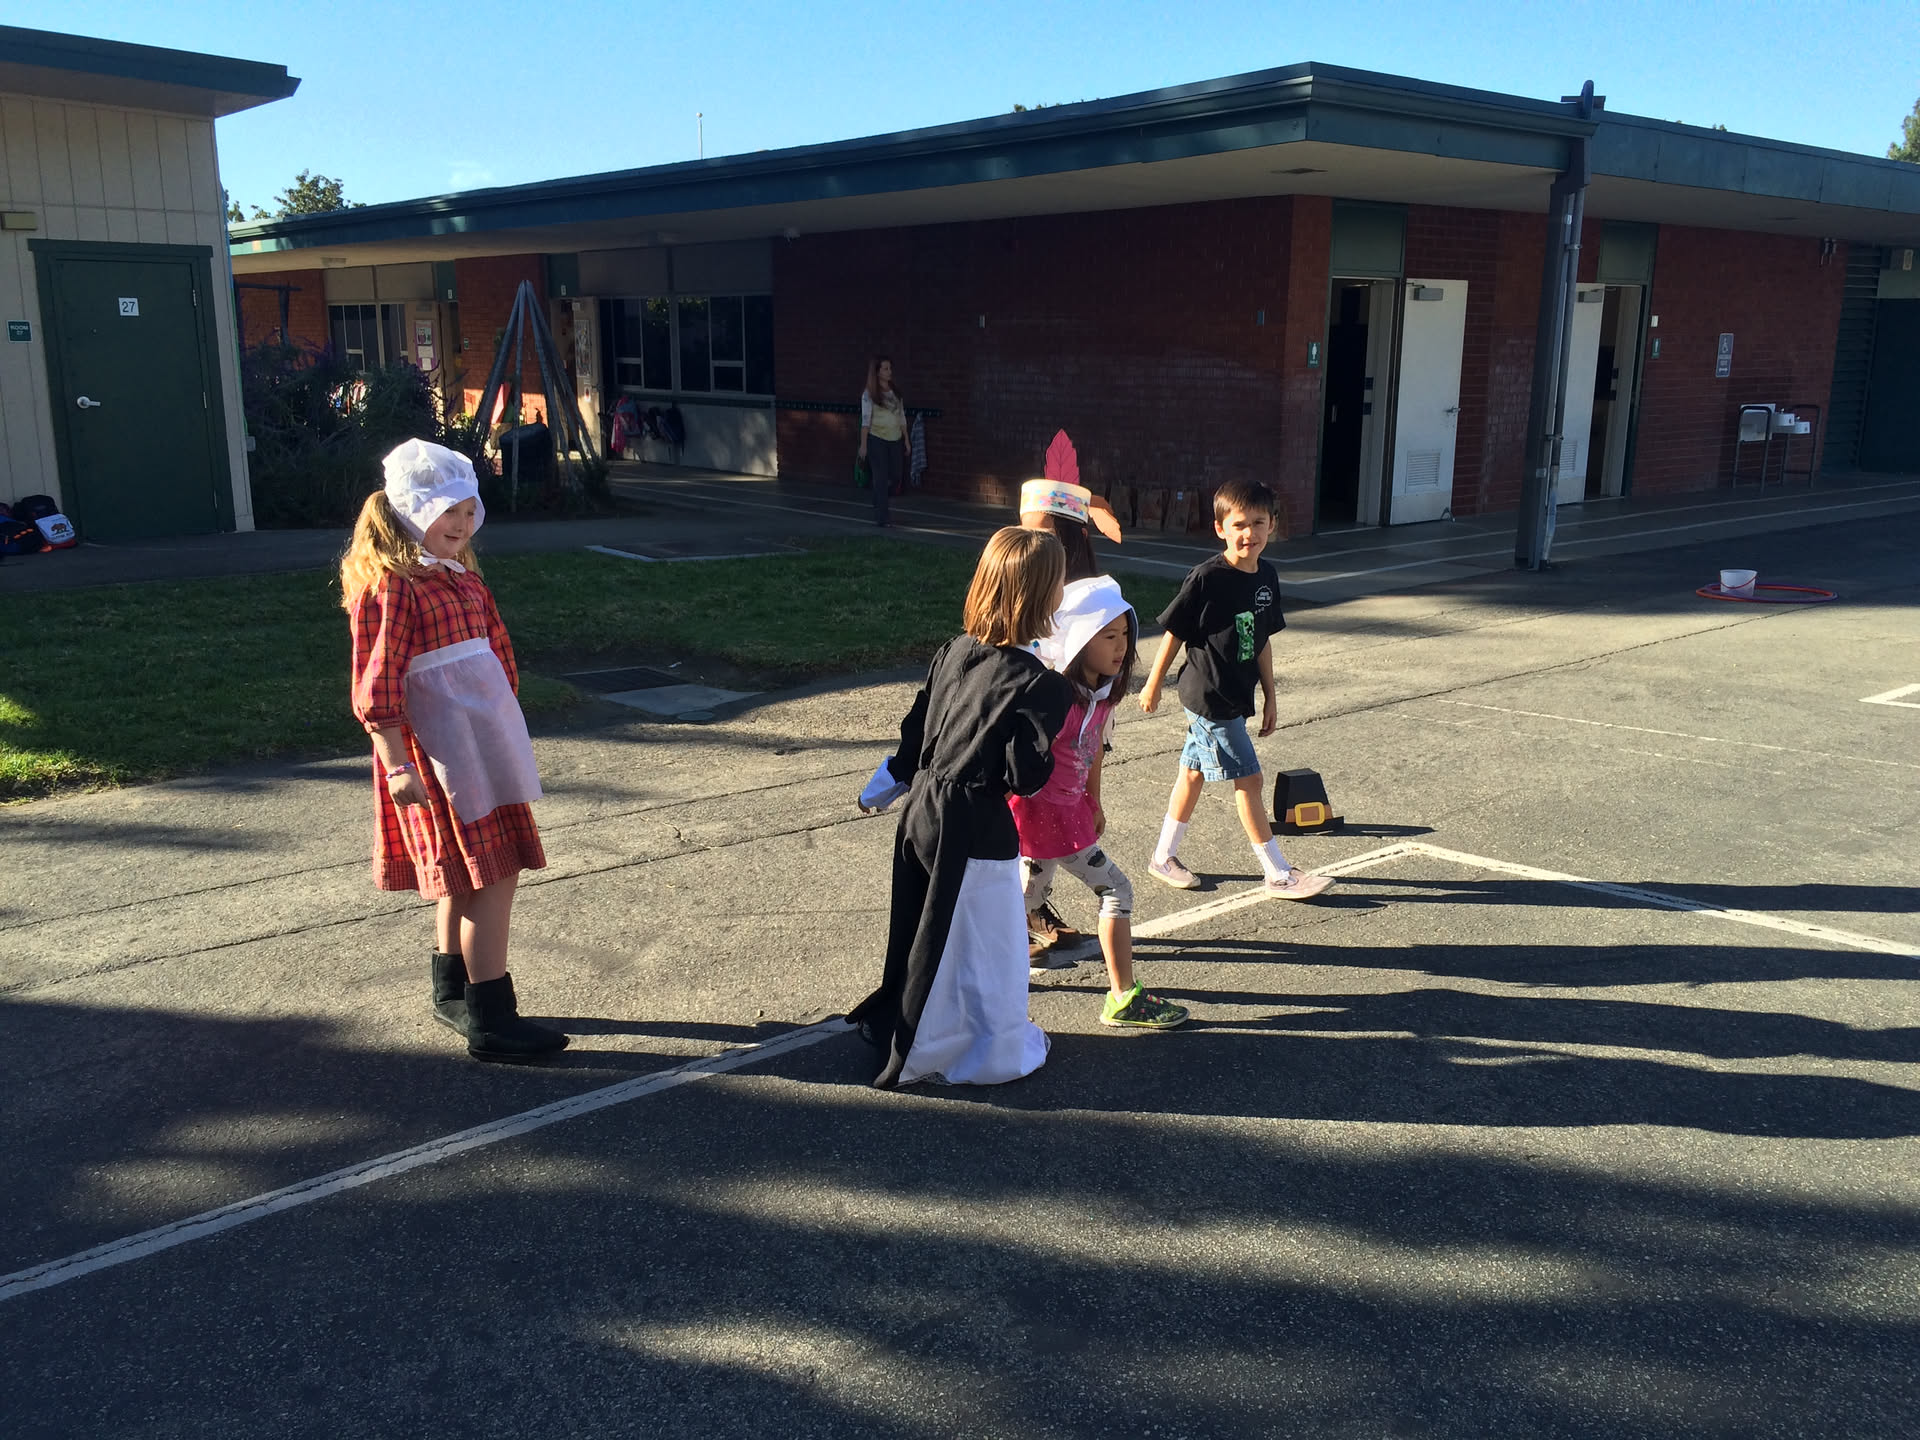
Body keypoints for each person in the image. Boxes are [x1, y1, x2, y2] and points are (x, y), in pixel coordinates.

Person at [342, 439, 569, 1063]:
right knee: (492, 870)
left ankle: (453, 989)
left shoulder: (459, 578)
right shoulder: (393, 587)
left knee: (469, 871)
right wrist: (396, 764)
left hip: (483, 740)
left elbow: (495, 654)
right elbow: (377, 684)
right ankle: (493, 1017)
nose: (462, 524)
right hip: (444, 752)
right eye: (448, 511)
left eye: (469, 512)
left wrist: (504, 719)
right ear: (412, 510)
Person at [848, 527, 1072, 1088]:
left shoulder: (953, 650)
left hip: (921, 810)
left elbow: (918, 729)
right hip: (974, 824)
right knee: (986, 943)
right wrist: (1053, 721)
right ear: (1043, 595)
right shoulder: (1040, 683)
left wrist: (885, 784)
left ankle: (912, 1026)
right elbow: (1023, 777)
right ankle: (975, 1044)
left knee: (922, 930)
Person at [1137, 478, 1333, 900]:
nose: (1249, 533)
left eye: (1258, 523)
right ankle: (1278, 874)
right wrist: (1153, 684)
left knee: (1192, 774)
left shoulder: (1267, 576)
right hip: (1209, 697)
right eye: (1239, 524)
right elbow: (1174, 632)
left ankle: (1162, 857)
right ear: (1220, 528)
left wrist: (1270, 697)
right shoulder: (1207, 578)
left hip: (1237, 694)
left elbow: (1262, 640)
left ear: (1272, 525)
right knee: (1250, 780)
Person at [1014, 576, 1188, 1029]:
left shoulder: (1102, 694)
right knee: (1116, 890)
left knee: (1025, 899)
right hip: (1041, 816)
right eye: (1108, 636)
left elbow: (1093, 751)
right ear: (1077, 641)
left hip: (1065, 815)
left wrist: (1093, 800)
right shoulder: (1056, 697)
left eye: (1125, 634)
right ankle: (1122, 996)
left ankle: (988, 983)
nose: (1121, 646)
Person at [1018, 429, 1123, 583]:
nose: (1030, 547)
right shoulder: (1018, 590)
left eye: (1044, 537)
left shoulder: (1095, 598)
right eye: (1023, 534)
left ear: (1079, 539)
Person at [857, 355, 911, 528]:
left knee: (896, 476)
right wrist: (863, 445)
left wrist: (906, 439)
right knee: (880, 477)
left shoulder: (895, 392)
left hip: (895, 439)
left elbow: (902, 417)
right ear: (877, 372)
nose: (889, 372)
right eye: (885, 369)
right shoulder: (869, 394)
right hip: (877, 439)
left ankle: (878, 496)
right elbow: (865, 421)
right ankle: (883, 517)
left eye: (890, 368)